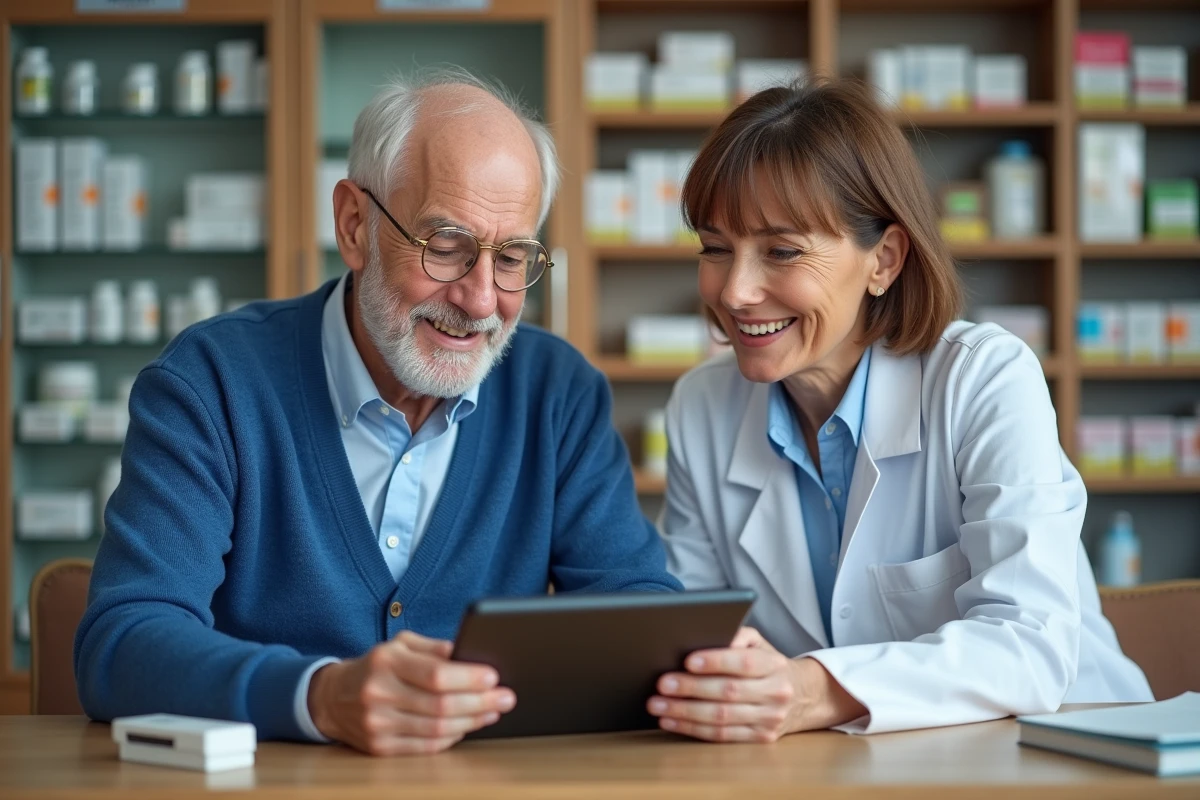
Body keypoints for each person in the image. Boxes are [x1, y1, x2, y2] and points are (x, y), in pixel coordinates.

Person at [75, 69, 680, 756]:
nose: (481, 301)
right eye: (446, 248)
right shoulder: (211, 383)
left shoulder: (558, 394)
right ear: (355, 225)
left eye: (511, 258)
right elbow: (120, 644)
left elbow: (638, 621)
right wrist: (319, 696)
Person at [648, 78, 1153, 743]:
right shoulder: (701, 407)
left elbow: (1029, 646)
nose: (736, 291)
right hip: (852, 771)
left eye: (781, 250)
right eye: (716, 248)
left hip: (1071, 753)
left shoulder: (982, 379)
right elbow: (695, 631)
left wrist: (811, 688)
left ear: (883, 258)